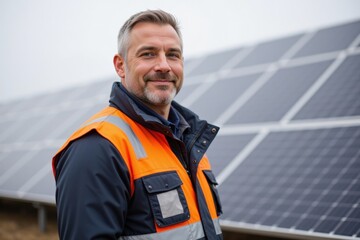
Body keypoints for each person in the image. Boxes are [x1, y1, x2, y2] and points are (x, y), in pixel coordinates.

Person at [52, 9, 223, 240]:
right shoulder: (97, 147)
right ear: (120, 66)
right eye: (148, 54)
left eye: (173, 55)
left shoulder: (190, 142)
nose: (164, 66)